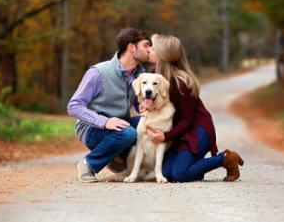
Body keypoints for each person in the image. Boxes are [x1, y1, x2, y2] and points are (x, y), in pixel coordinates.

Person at [145, 34, 244, 182]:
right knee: (166, 174)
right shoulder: (153, 75)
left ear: (163, 54)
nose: (149, 50)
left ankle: (226, 158)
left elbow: (187, 120)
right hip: (177, 133)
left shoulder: (181, 82)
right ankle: (194, 169)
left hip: (196, 131)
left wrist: (165, 136)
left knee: (179, 175)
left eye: (153, 48)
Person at [67, 28, 151, 182]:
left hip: (119, 125)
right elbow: (74, 105)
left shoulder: (140, 74)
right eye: (146, 45)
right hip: (92, 127)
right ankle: (88, 164)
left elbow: (138, 105)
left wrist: (146, 109)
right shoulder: (99, 72)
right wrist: (104, 122)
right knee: (128, 133)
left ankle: (120, 160)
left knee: (148, 123)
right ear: (132, 48)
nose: (149, 49)